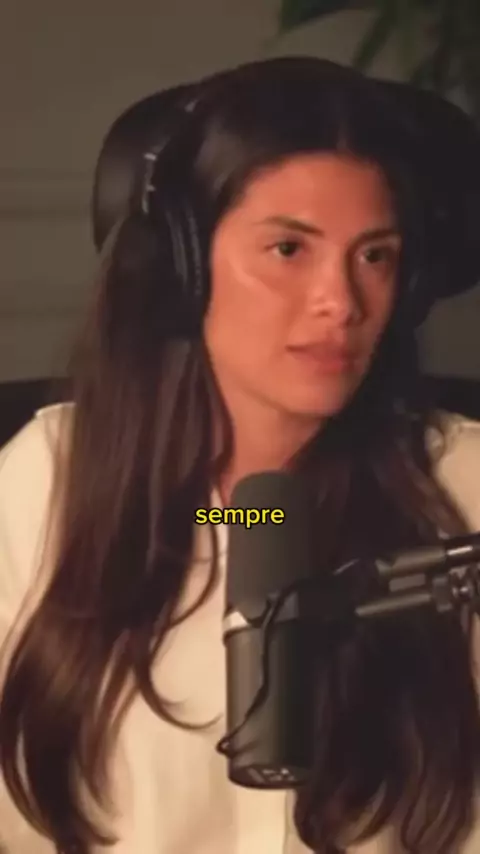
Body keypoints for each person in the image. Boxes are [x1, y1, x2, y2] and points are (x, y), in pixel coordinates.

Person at [0, 56, 480, 854]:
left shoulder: (464, 484)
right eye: (289, 249)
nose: (341, 302)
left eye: (375, 255)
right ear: (185, 268)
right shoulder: (47, 482)